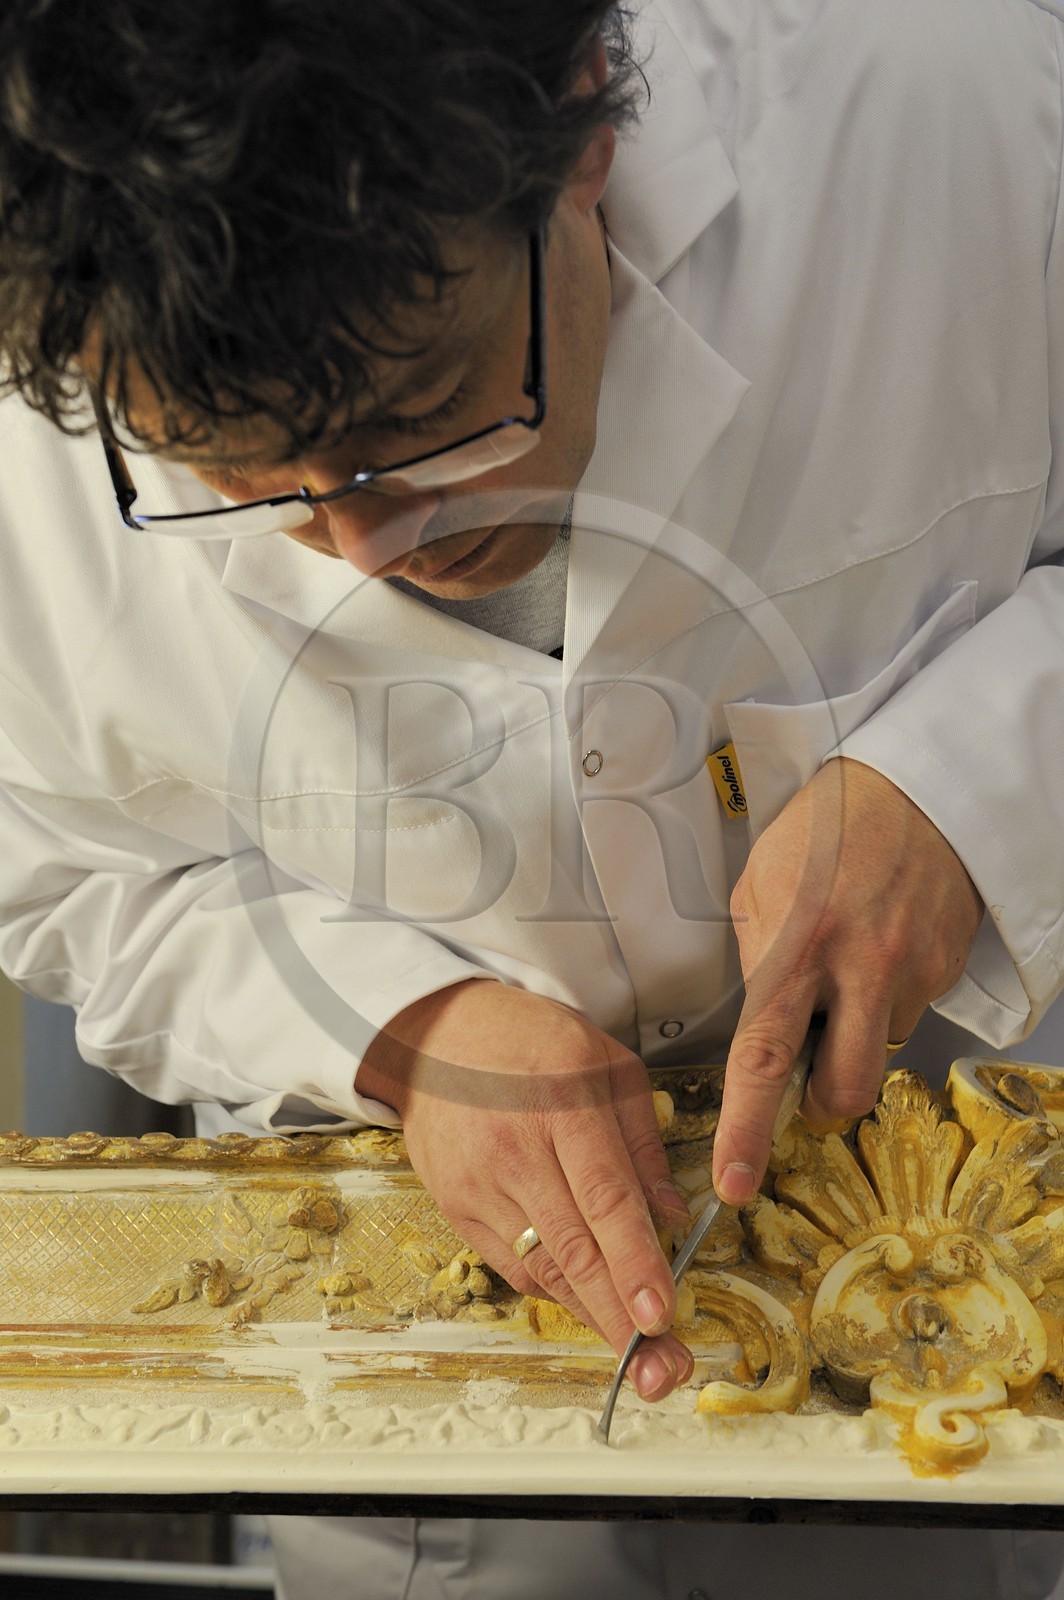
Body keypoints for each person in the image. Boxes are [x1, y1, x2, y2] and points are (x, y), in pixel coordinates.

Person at [0, 0, 1062, 1596]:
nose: (369, 542)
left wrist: (977, 783)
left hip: (959, 1238)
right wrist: (403, 1032)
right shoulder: (40, 389)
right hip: (423, 1339)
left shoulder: (968, 98)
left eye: (428, 416)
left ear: (582, 135)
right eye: (239, 477)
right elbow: (59, 859)